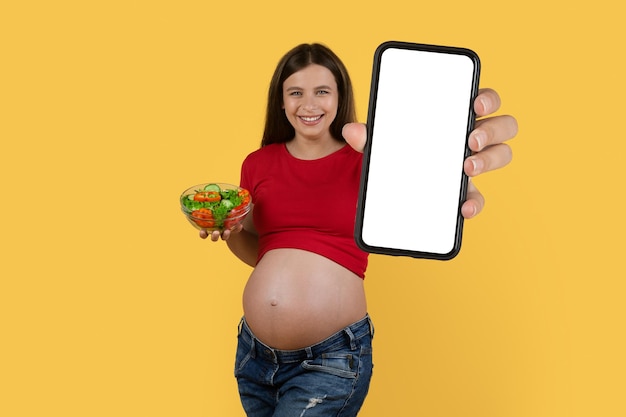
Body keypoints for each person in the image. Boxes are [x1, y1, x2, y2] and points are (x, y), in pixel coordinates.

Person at [199, 43, 518, 416]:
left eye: (322, 92)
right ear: (281, 101)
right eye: (296, 92)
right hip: (255, 356)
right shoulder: (257, 163)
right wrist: (229, 231)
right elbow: (263, 251)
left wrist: (446, 169)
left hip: (330, 358)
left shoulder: (371, 162)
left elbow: (419, 195)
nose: (309, 104)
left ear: (339, 97)